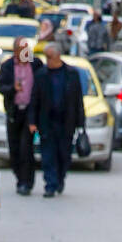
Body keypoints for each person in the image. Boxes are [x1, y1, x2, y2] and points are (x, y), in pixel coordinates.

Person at [28, 44, 84, 198]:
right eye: (46, 57)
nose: (48, 60)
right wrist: (32, 121)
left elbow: (78, 100)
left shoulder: (71, 74)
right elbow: (35, 99)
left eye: (50, 57)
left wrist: (81, 124)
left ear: (58, 56)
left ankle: (60, 178)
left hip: (66, 122)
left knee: (64, 154)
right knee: (48, 154)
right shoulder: (41, 75)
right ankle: (50, 184)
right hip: (47, 121)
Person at [0, 36, 43, 195]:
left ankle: (26, 182)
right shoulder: (7, 66)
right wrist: (12, 88)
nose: (25, 51)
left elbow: (43, 85)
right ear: (16, 50)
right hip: (14, 111)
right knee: (15, 148)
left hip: (30, 113)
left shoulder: (36, 64)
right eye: (21, 48)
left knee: (26, 148)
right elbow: (0, 87)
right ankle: (19, 177)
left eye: (27, 48)